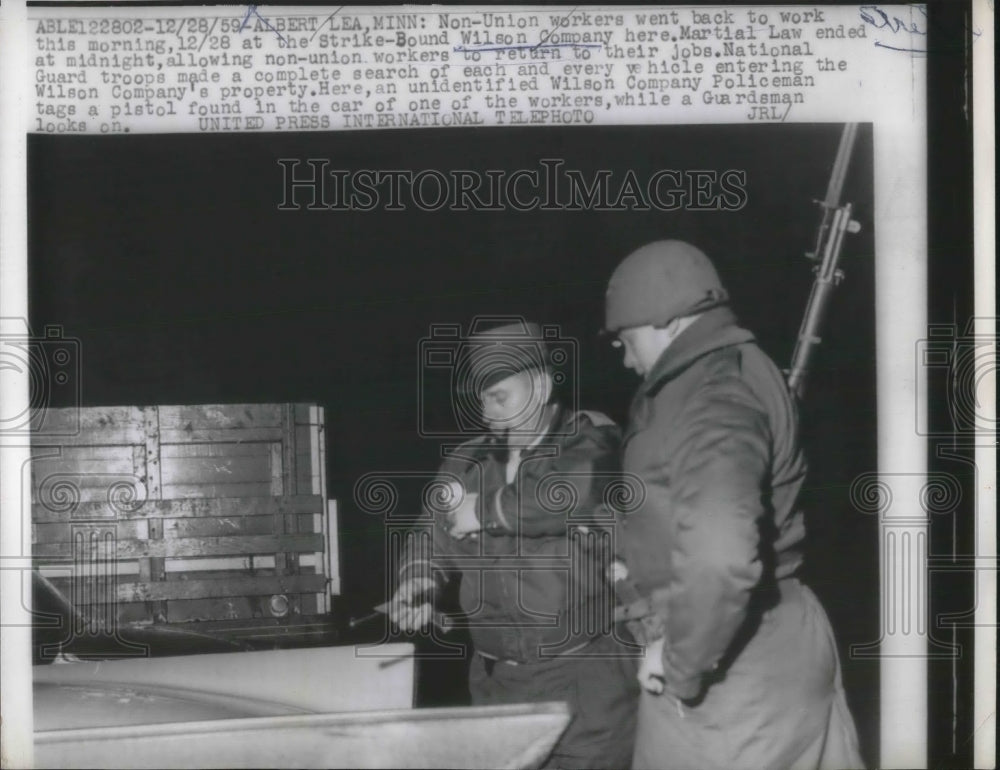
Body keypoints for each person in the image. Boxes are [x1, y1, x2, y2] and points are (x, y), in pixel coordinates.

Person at [603, 241, 864, 770]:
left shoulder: (714, 393)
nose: (628, 360)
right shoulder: (716, 375)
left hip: (733, 668)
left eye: (626, 340)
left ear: (669, 319)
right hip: (746, 647)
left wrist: (680, 660)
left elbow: (721, 558)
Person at [389, 318, 638, 770]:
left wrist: (483, 512)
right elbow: (430, 538)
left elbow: (571, 492)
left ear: (540, 387)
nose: (488, 413)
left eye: (499, 396)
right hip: (497, 689)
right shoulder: (466, 462)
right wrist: (419, 584)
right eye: (483, 398)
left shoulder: (590, 440)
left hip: (586, 687)